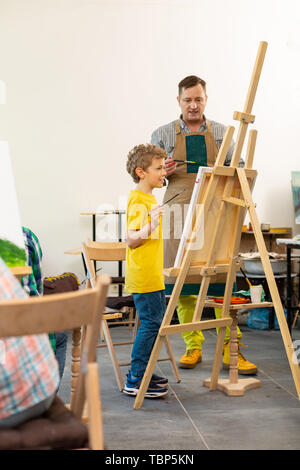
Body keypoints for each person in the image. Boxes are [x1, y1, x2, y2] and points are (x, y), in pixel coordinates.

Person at [151, 75, 257, 374]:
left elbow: (240, 170)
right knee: (182, 283)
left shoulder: (224, 132)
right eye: (188, 100)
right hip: (178, 211)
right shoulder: (161, 135)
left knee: (222, 281)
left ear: (206, 99)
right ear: (179, 101)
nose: (193, 105)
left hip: (215, 212)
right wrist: (163, 171)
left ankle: (230, 350)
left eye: (198, 99)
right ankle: (192, 345)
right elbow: (148, 177)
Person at [123, 144, 169, 398]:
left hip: (152, 273)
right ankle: (136, 378)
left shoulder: (149, 197)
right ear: (141, 172)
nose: (164, 172)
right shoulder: (139, 199)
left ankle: (144, 372)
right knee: (151, 324)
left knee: (154, 323)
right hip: (144, 275)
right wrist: (152, 224)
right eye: (159, 168)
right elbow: (131, 239)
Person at [0, 256, 60, 428]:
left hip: (10, 406)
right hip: (41, 390)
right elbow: (36, 294)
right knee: (59, 337)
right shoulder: (26, 237)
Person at [22, 226, 67, 379]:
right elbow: (36, 289)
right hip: (22, 327)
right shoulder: (26, 236)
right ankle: (47, 398)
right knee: (60, 335)